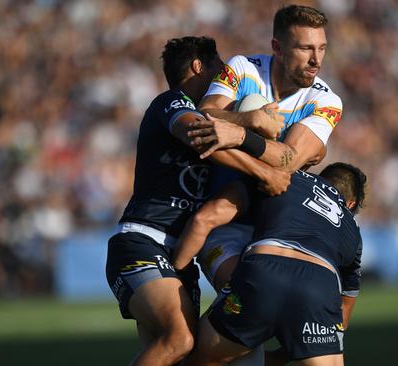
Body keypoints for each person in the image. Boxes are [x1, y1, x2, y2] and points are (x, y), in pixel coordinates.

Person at [104, 36, 288, 366]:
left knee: (180, 354)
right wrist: (259, 156)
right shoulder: (169, 102)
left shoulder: (221, 121)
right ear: (198, 67)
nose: (224, 77)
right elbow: (200, 133)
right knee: (180, 339)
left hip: (179, 254)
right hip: (143, 239)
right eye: (219, 68)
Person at [190, 4, 344, 296]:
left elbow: (287, 162)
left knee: (288, 312)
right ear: (278, 47)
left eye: (322, 48)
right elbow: (202, 118)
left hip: (279, 228)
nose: (316, 60)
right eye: (305, 48)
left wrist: (239, 134)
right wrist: (248, 119)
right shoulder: (243, 69)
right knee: (243, 300)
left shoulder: (325, 102)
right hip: (226, 225)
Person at [172, 162, 366, 366]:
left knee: (199, 359)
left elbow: (207, 217)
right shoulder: (352, 226)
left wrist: (176, 272)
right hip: (319, 284)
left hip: (264, 271)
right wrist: (286, 354)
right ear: (351, 204)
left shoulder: (285, 178)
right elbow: (343, 310)